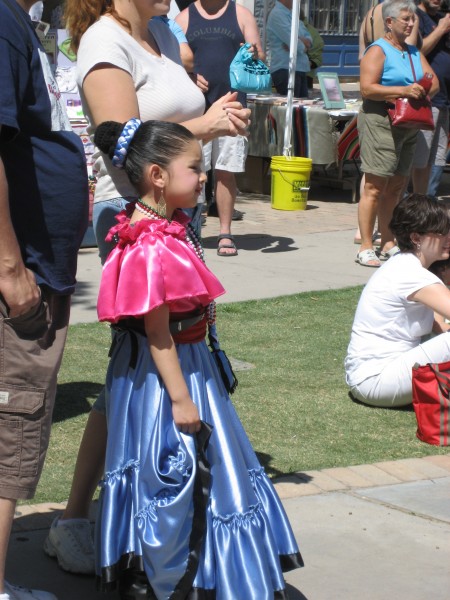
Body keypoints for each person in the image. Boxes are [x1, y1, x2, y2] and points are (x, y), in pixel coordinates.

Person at [43, 0, 251, 578]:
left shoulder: (161, 29)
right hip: (138, 221)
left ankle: (129, 510)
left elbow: (165, 119)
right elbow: (121, 145)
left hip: (178, 214)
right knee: (138, 363)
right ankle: (88, 518)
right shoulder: (105, 44)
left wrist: (213, 116)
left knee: (142, 371)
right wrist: (204, 127)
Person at [93, 118, 303, 598]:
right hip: (171, 374)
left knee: (187, 466)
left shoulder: (159, 225)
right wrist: (183, 401)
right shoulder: (150, 243)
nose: (203, 176)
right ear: (157, 176)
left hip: (172, 367)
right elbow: (158, 333)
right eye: (194, 168)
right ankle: (182, 578)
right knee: (186, 466)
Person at [0, 0, 88, 598]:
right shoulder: (3, 23)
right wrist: (10, 268)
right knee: (9, 431)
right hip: (18, 273)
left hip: (30, 264)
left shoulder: (18, 23)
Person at [176, 0, 264, 256]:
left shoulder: (241, 14)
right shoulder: (184, 18)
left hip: (232, 107)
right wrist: (189, 77)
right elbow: (169, 62)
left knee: (226, 172)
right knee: (192, 171)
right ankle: (191, 231)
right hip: (195, 110)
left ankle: (225, 232)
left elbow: (259, 55)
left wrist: (252, 53)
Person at [346, 193, 450, 408]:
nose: (448, 237)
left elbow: (438, 325)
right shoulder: (411, 274)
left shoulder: (404, 265)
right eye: (442, 232)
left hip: (375, 377)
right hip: (377, 380)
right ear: (416, 238)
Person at [355, 0, 438, 268]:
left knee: (397, 187)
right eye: (405, 19)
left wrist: (422, 91)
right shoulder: (378, 50)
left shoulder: (413, 51)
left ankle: (388, 242)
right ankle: (366, 245)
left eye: (412, 19)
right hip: (381, 121)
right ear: (389, 23)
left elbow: (433, 81)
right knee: (374, 187)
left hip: (408, 124)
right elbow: (367, 89)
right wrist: (404, 91)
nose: (411, 23)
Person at [410, 0, 450, 197]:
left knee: (434, 159)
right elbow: (417, 51)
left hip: (443, 100)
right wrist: (441, 29)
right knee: (419, 159)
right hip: (427, 99)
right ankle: (412, 202)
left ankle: (425, 202)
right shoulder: (416, 17)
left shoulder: (440, 18)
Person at [266, 0, 312, 99]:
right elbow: (292, 40)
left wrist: (301, 42)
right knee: (291, 109)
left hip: (300, 68)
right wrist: (302, 45)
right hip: (285, 68)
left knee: (302, 110)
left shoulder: (292, 14)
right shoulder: (277, 15)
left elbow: (309, 38)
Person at [300, 9, 324, 90]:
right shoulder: (311, 30)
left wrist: (310, 63)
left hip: (305, 73)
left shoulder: (308, 30)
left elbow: (317, 58)